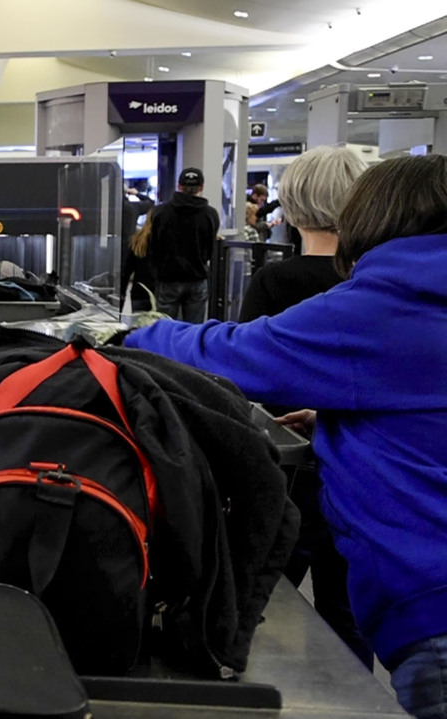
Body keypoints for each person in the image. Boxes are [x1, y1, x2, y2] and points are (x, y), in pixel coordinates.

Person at [122, 154, 447, 719]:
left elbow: (234, 354)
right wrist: (340, 422)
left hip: (433, 600)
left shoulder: (390, 302)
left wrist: (132, 335)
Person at [236, 145, 373, 670]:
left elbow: (247, 371)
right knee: (347, 612)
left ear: (290, 206)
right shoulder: (371, 285)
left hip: (287, 466)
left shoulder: (276, 281)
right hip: (356, 469)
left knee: (263, 597)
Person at [144, 167, 219, 322]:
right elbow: (211, 249)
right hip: (197, 278)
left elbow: (153, 247)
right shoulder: (210, 214)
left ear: (179, 186)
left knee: (166, 327)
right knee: (193, 330)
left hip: (167, 279)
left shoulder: (160, 212)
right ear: (201, 187)